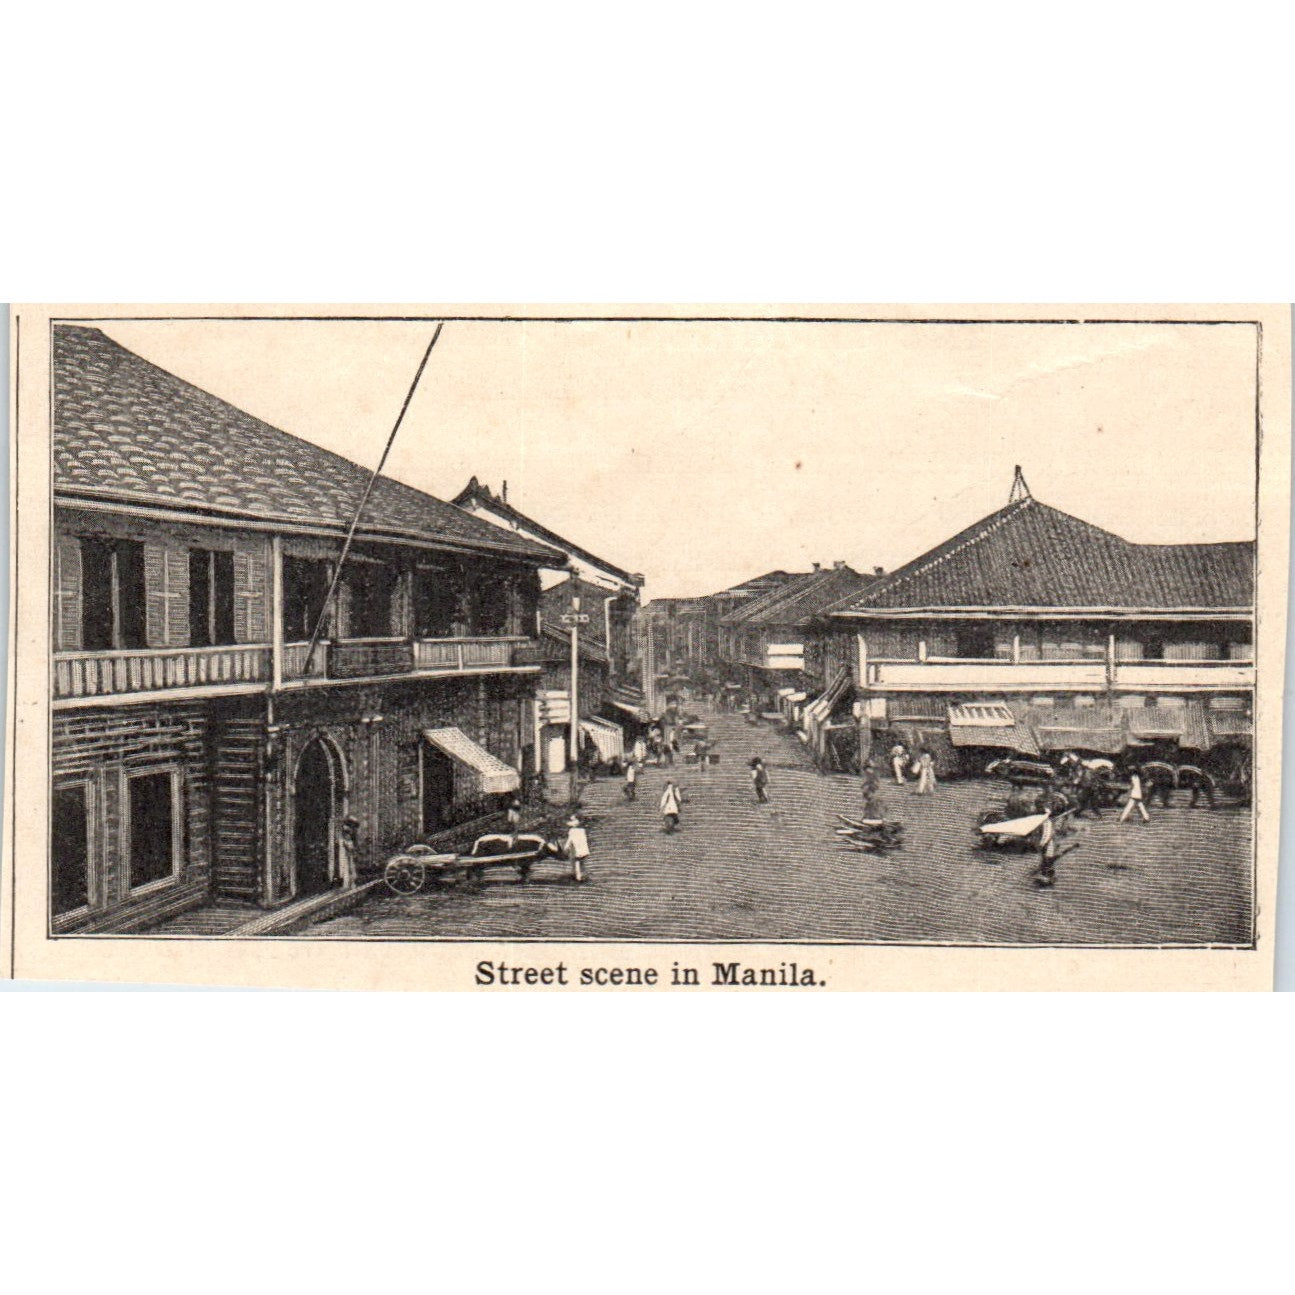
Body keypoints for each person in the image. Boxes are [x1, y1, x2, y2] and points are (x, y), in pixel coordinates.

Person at [564, 814, 590, 882]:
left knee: (577, 862)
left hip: (577, 848)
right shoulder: (582, 830)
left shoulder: (572, 830)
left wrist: (566, 846)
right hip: (581, 848)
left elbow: (570, 839)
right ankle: (580, 875)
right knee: (579, 862)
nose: (571, 822)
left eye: (573, 820)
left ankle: (578, 876)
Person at [337, 816, 360, 888]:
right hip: (345, 850)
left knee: (349, 865)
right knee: (346, 865)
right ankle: (347, 882)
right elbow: (344, 841)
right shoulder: (345, 831)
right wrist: (348, 845)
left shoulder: (350, 832)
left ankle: (350, 882)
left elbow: (353, 842)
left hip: (348, 850)